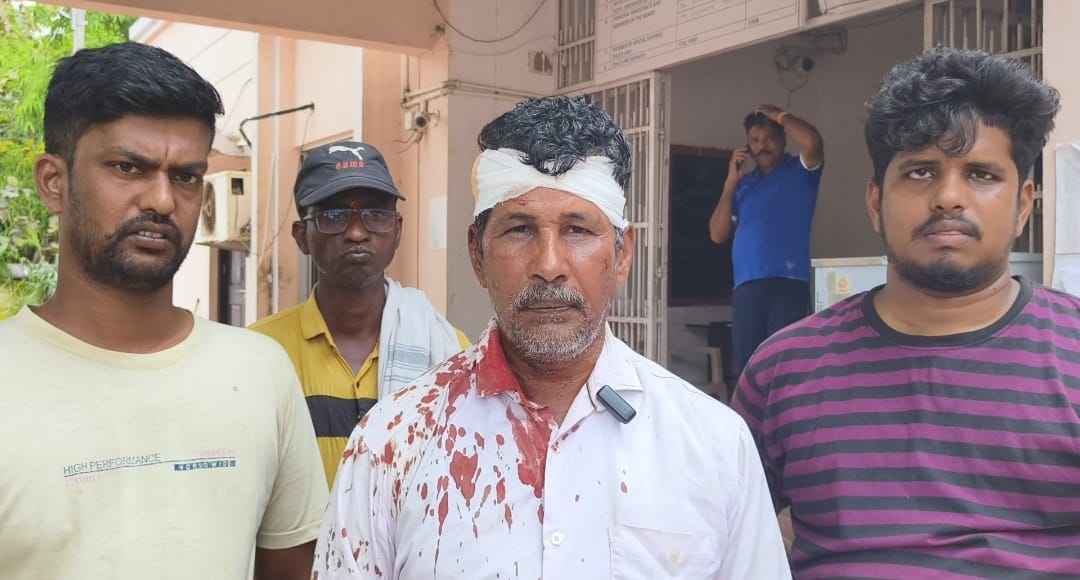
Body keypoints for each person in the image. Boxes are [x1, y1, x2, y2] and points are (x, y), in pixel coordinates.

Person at [310, 96, 790, 579]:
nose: (549, 265)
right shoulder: (393, 443)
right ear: (477, 254)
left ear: (623, 255)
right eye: (520, 230)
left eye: (577, 230)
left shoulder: (712, 443)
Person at [732, 48, 1074, 578]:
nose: (948, 198)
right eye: (920, 172)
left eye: (981, 174)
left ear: (1023, 205)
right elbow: (721, 538)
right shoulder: (784, 369)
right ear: (875, 202)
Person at [0, 43, 326, 580]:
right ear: (53, 182)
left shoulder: (259, 372)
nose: (162, 200)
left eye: (186, 176)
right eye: (128, 167)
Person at [251, 141, 469, 487]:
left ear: (397, 231)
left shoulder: (448, 352)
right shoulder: (260, 353)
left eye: (376, 215)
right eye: (334, 216)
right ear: (302, 236)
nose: (356, 233)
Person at [709, 104, 824, 384]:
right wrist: (730, 183)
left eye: (770, 138)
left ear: (783, 139)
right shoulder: (744, 185)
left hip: (788, 283)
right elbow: (717, 234)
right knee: (747, 370)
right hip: (747, 287)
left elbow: (813, 142)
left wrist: (781, 116)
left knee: (785, 367)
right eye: (755, 140)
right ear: (747, 146)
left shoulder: (800, 170)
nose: (762, 146)